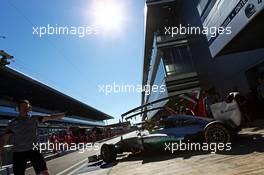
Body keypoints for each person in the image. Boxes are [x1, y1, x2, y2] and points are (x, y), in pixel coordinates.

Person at [0, 99, 65, 175]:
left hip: (34, 149)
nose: (25, 109)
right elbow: (4, 139)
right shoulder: (13, 123)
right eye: (22, 107)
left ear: (29, 108)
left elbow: (50, 117)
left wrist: (62, 115)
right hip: (19, 152)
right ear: (18, 109)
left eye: (27, 107)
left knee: (44, 172)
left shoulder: (34, 118)